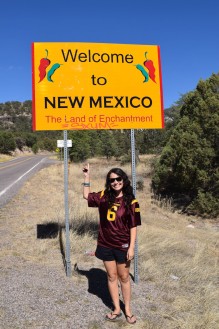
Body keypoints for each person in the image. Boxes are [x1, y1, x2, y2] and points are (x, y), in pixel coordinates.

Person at [82, 163, 141, 324]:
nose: (115, 182)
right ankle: (116, 309)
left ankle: (127, 310)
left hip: (122, 245)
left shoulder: (131, 201)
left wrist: (131, 247)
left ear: (124, 180)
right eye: (111, 180)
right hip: (105, 244)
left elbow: (133, 226)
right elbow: (86, 196)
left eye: (118, 179)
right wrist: (87, 177)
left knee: (124, 277)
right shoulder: (103, 196)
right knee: (111, 276)